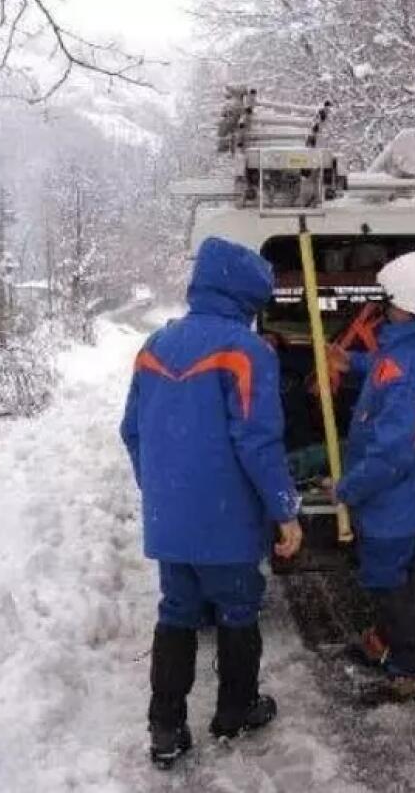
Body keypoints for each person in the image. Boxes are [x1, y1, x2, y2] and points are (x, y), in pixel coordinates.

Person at [120, 236, 303, 769]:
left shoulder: (153, 345)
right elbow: (258, 442)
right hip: (227, 522)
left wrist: (160, 491)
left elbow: (131, 430)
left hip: (169, 520)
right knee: (238, 609)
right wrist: (284, 510)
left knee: (176, 613)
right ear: (248, 297)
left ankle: (166, 729)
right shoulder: (247, 353)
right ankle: (236, 710)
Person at [326, 250, 415, 704]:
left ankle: (411, 668)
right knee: (397, 570)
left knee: (386, 577)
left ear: (407, 302)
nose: (384, 305)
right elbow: (390, 369)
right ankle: (385, 641)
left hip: (392, 498)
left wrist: (346, 487)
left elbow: (391, 456)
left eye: (389, 298)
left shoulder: (405, 367)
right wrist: (353, 364)